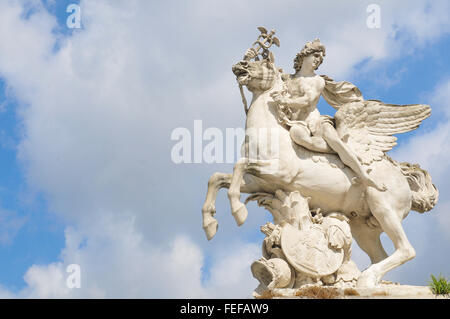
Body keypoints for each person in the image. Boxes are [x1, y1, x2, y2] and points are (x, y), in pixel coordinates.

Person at [270, 39, 386, 191]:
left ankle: (363, 174)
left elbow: (307, 100)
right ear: (304, 55)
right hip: (296, 123)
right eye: (316, 55)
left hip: (315, 121)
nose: (318, 60)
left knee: (334, 140)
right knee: (298, 137)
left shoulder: (317, 81)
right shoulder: (288, 79)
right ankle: (337, 152)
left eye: (321, 59)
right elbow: (267, 73)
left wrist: (285, 101)